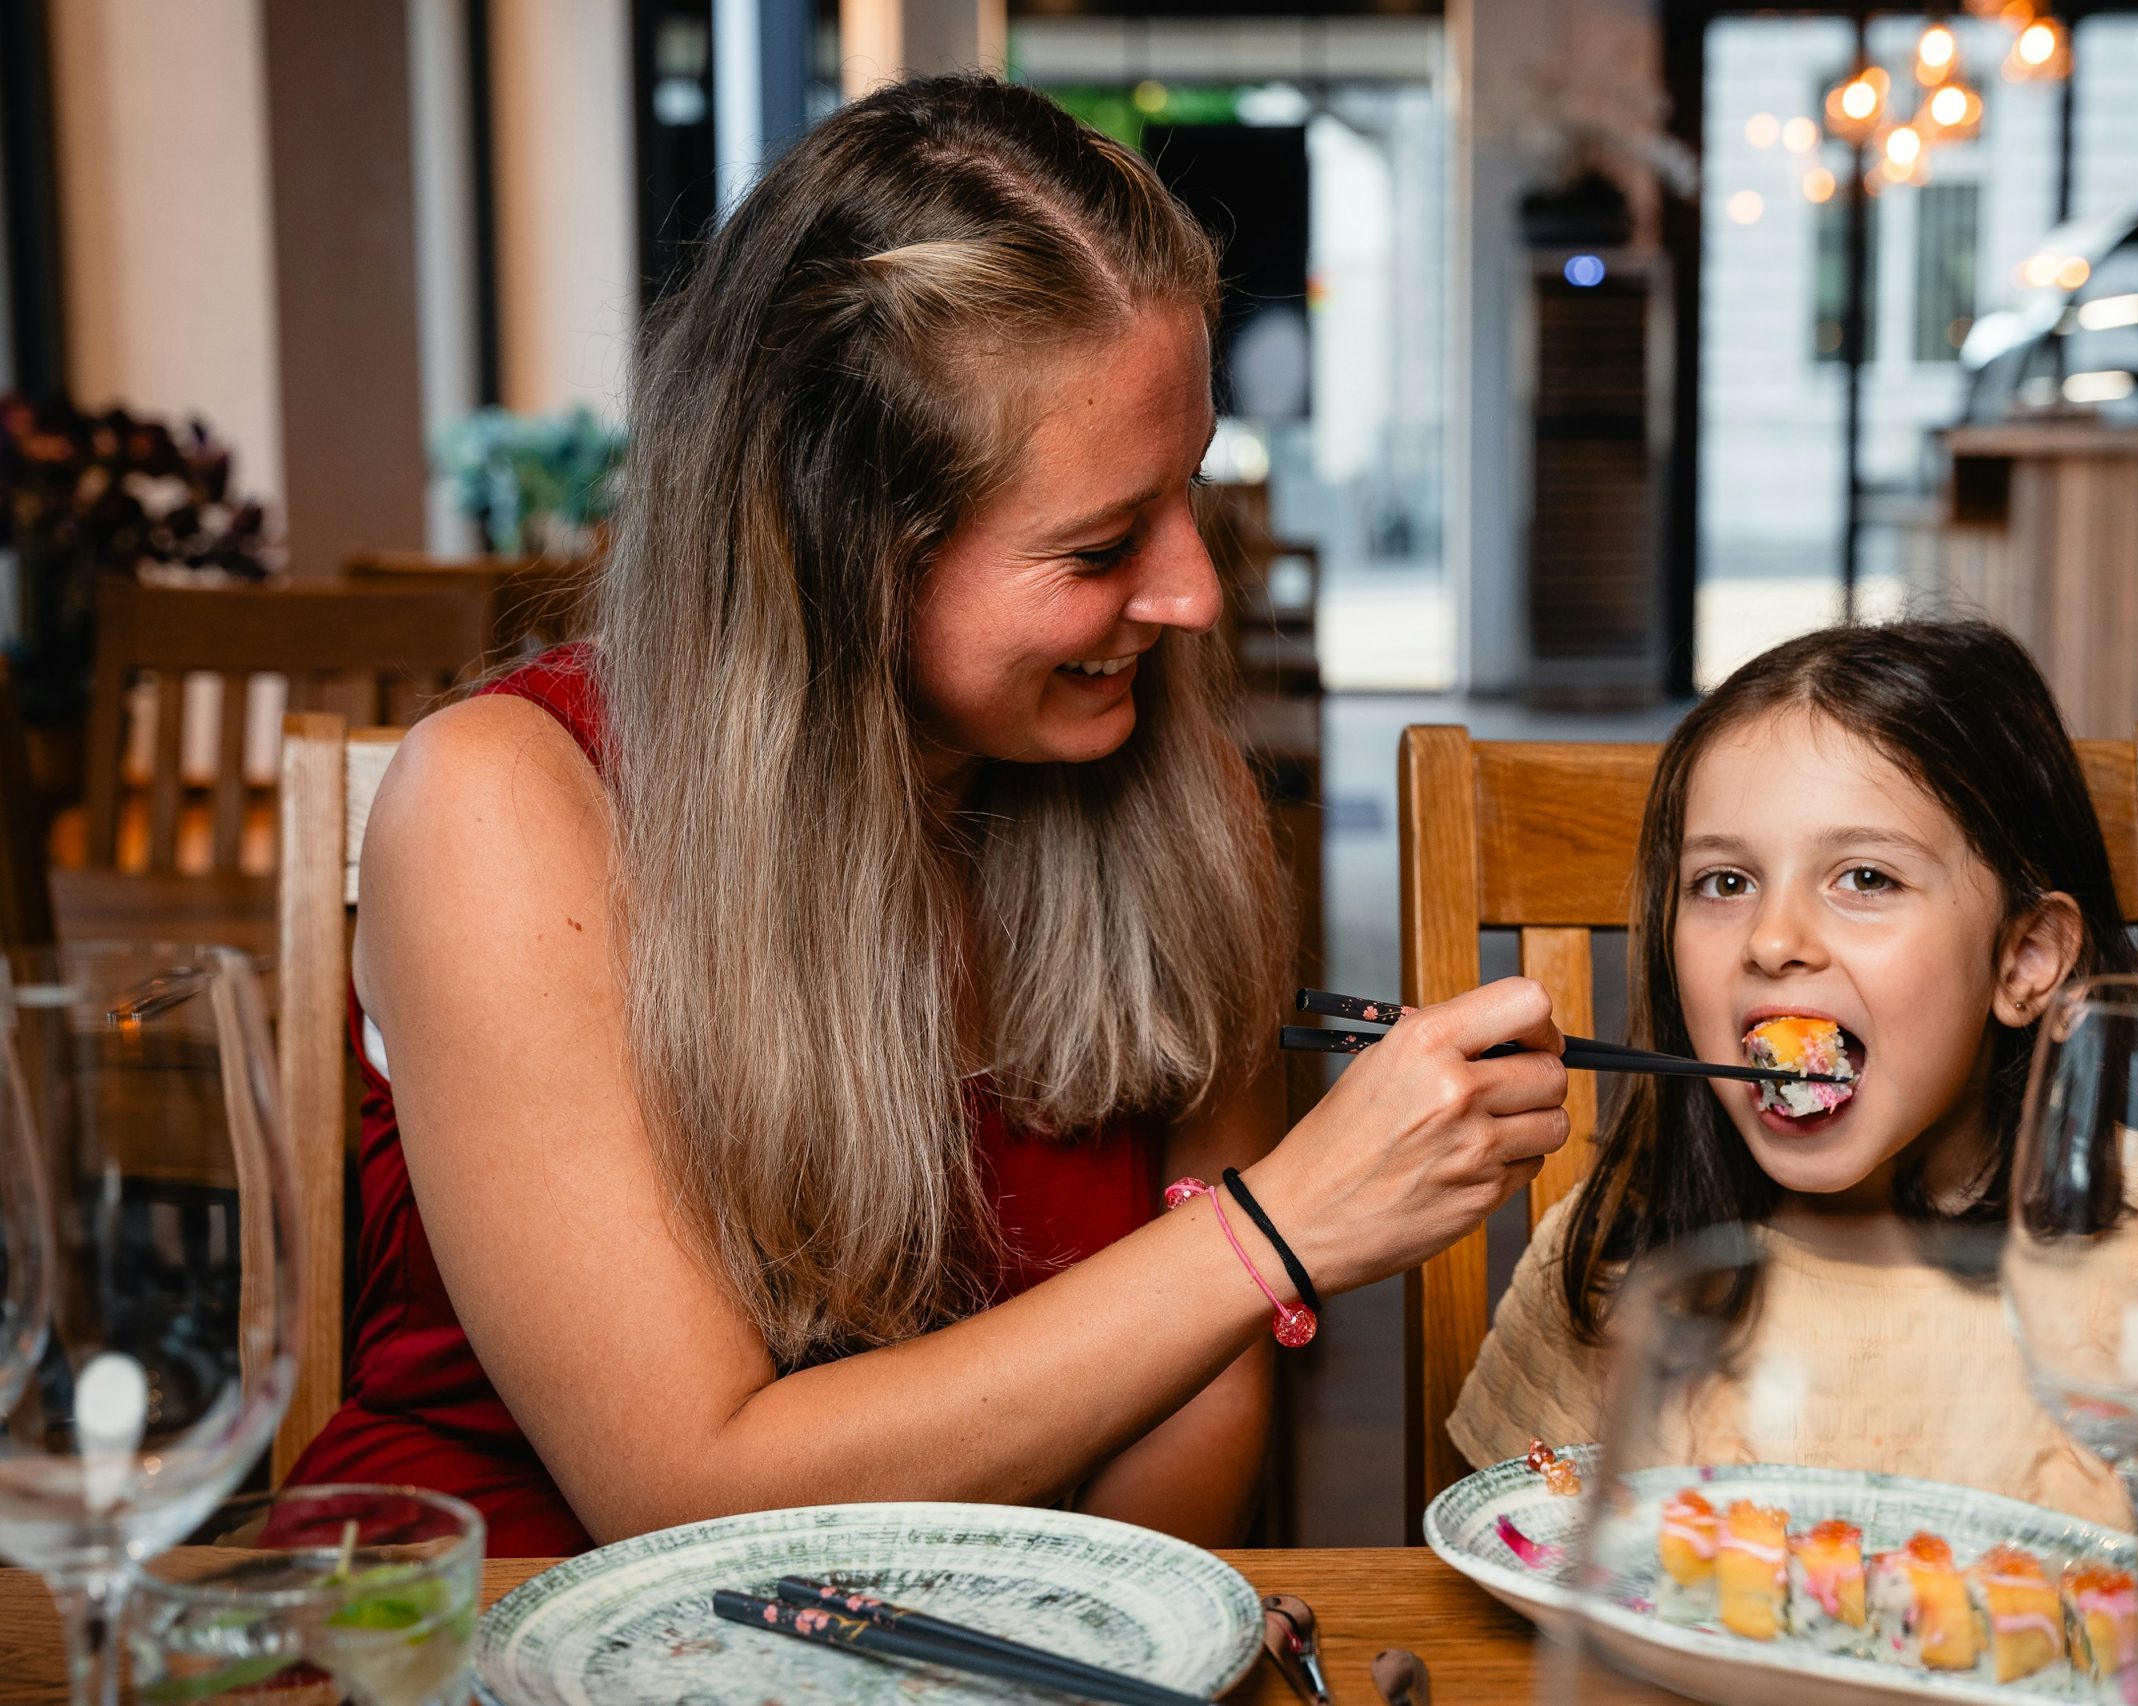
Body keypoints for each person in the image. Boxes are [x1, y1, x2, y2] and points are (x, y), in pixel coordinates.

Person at [285, 75, 1569, 1555]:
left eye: (1190, 491)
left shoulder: (1178, 794)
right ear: (836, 554)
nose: (1194, 593)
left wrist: (1093, 1633)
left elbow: (1195, 1398)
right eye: (1098, 544)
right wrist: (1272, 1230)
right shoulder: (506, 809)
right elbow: (682, 1493)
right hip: (487, 1614)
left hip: (988, 1626)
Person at [1450, 621, 2138, 1534]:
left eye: (1865, 878)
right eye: (1725, 884)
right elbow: (1505, 1577)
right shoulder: (1620, 1252)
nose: (1773, 941)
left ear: (2024, 961)